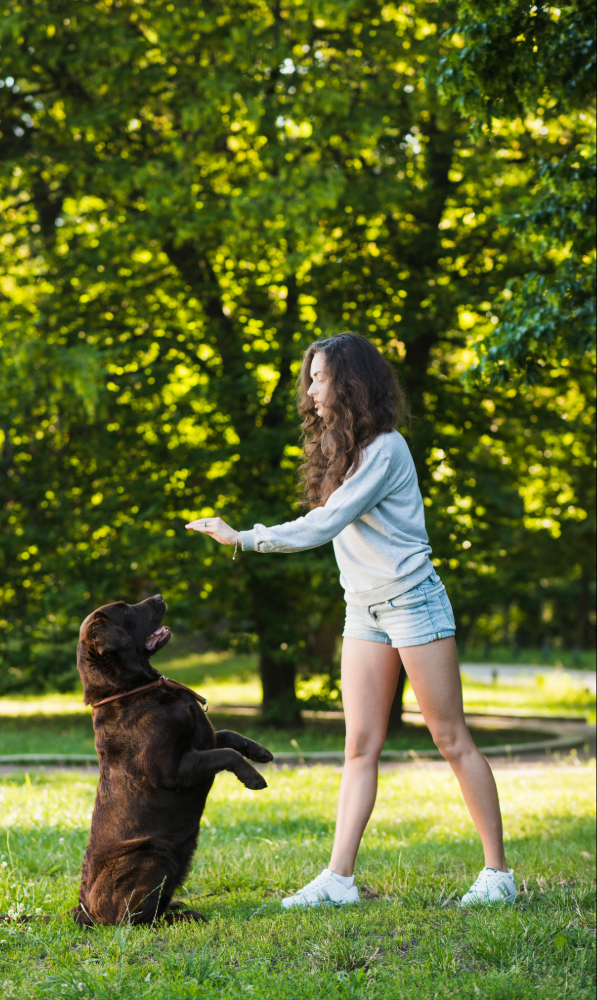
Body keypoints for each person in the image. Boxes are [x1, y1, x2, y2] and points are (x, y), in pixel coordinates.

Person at [186, 333, 516, 908]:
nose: (309, 389)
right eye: (310, 377)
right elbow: (326, 517)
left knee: (449, 737)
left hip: (413, 600)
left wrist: (245, 538)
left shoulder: (386, 449)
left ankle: (497, 875)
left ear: (350, 383)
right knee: (359, 746)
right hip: (363, 609)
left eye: (319, 377)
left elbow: (323, 524)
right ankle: (339, 879)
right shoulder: (342, 450)